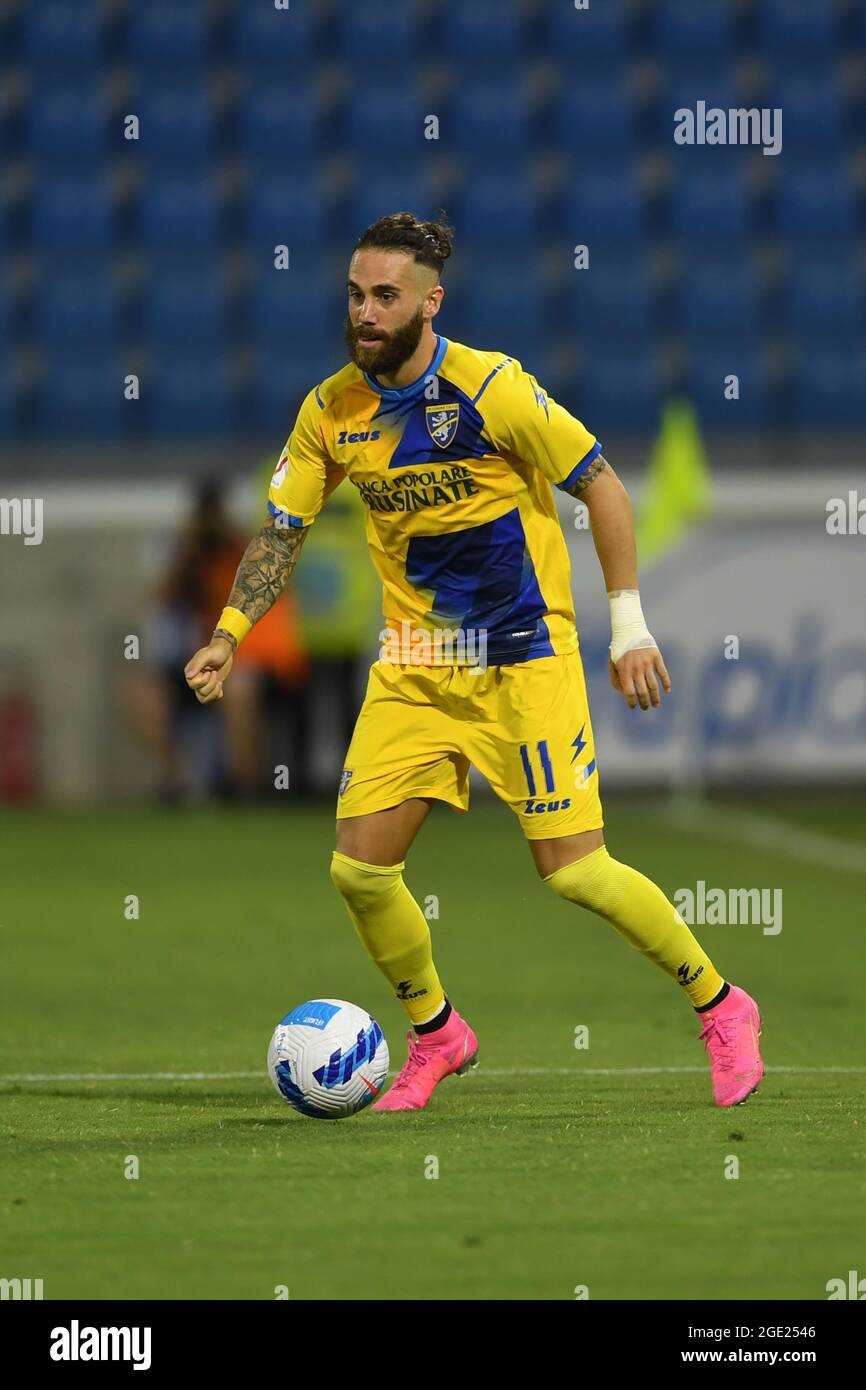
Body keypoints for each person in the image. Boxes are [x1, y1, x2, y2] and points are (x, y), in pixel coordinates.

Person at [184, 213, 763, 1111]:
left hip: (523, 657)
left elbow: (600, 482)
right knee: (359, 871)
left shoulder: (493, 389)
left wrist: (631, 625)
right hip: (415, 663)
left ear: (429, 301)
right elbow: (282, 530)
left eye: (385, 296)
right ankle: (438, 1035)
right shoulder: (331, 410)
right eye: (354, 295)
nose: (366, 313)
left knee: (574, 870)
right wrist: (228, 632)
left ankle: (723, 1006)